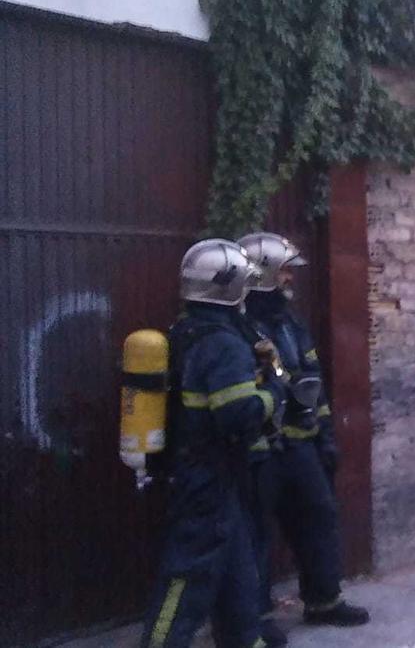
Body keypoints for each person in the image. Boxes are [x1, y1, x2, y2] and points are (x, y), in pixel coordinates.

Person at [140, 239, 283, 647]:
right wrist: (275, 394)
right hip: (207, 478)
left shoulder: (186, 330)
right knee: (185, 578)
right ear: (231, 287)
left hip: (208, 475)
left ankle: (244, 639)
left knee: (239, 574)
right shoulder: (223, 343)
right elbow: (238, 415)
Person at [236, 232, 369, 641]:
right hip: (261, 450)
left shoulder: (291, 323)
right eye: (285, 271)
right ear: (263, 275)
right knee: (254, 533)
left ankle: (323, 601)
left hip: (301, 445)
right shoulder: (241, 326)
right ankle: (253, 620)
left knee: (319, 517)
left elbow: (312, 381)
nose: (292, 278)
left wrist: (325, 435)